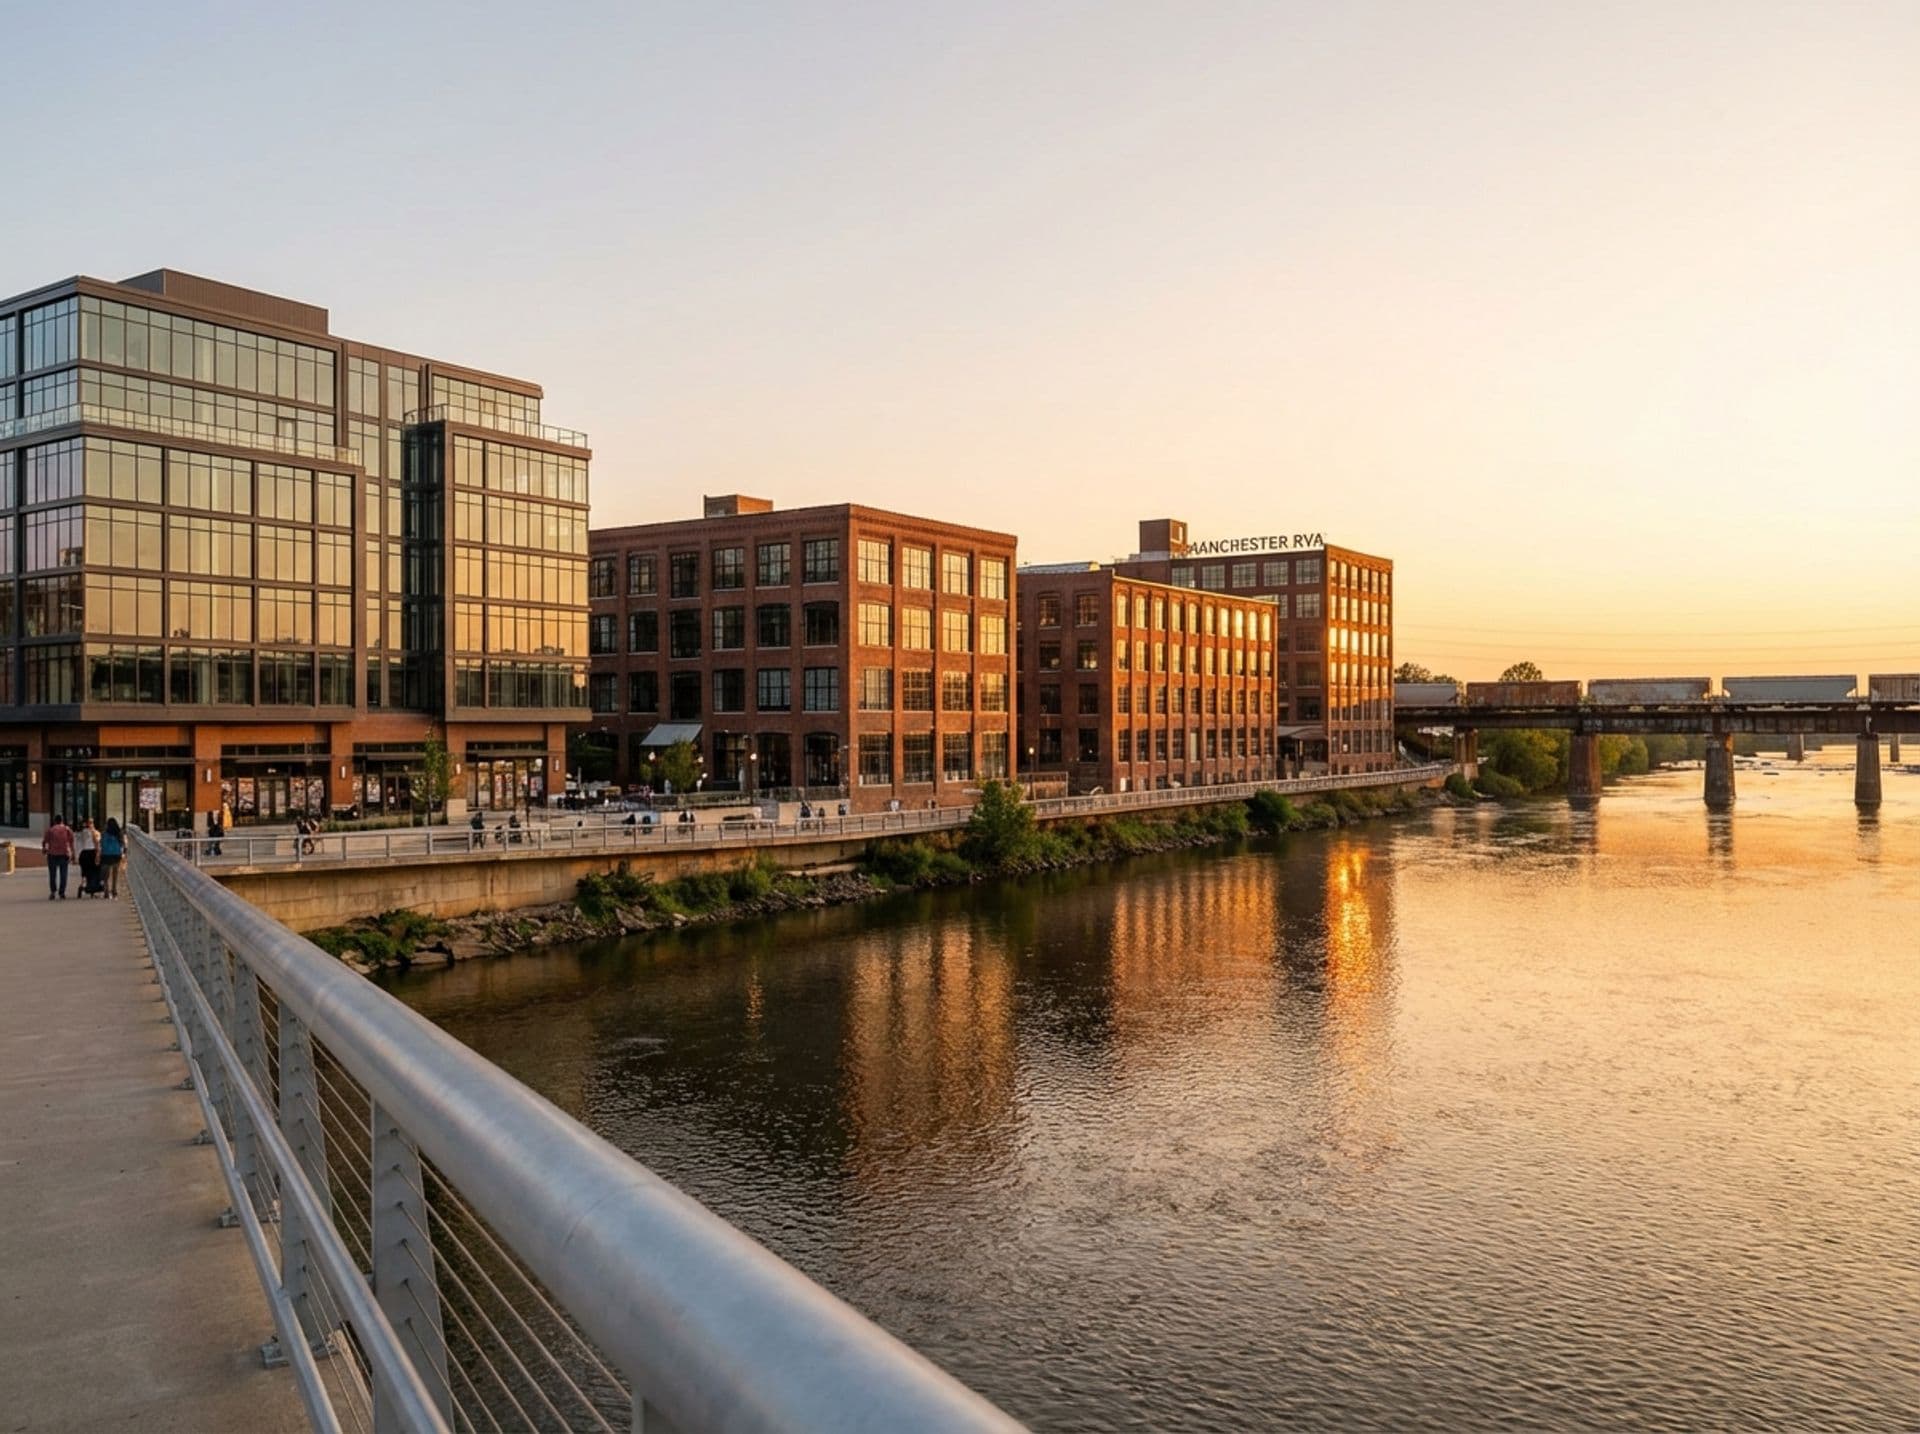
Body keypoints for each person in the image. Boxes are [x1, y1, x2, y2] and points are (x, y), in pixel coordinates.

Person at [42, 813, 74, 900]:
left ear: (55, 821)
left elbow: (45, 841)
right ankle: (62, 892)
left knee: (52, 874)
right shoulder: (67, 830)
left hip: (52, 854)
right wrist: (72, 852)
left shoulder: (51, 830)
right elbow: (71, 841)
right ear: (62, 821)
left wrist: (44, 850)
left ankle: (53, 892)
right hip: (64, 854)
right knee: (63, 874)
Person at [100, 818, 126, 899]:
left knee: (106, 875)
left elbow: (101, 843)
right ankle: (114, 890)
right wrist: (123, 852)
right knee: (115, 873)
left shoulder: (104, 833)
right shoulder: (119, 832)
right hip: (116, 855)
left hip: (106, 855)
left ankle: (106, 891)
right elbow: (122, 843)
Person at [76, 818, 101, 898]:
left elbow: (79, 844)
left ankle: (82, 883)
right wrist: (97, 854)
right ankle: (92, 887)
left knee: (84, 871)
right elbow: (96, 842)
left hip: (83, 853)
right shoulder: (94, 832)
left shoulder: (82, 832)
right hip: (91, 853)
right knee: (93, 871)